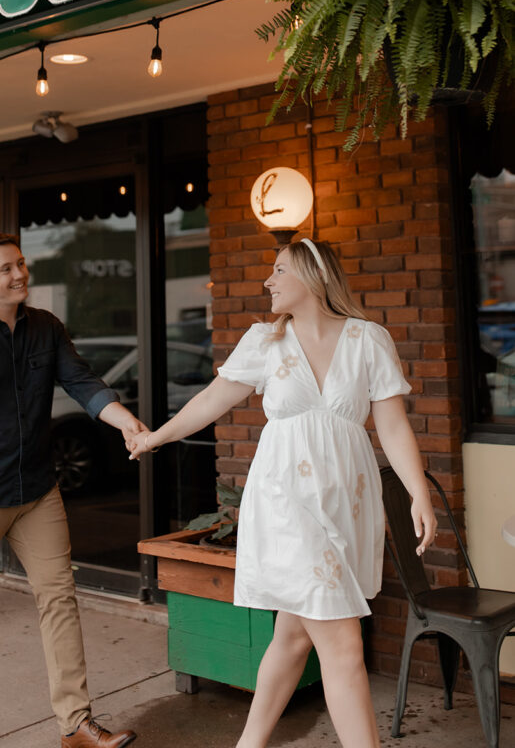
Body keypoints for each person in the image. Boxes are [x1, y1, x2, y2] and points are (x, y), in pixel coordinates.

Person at [129, 238, 436, 748]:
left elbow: (393, 426)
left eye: (278, 271)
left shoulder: (368, 339)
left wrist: (416, 492)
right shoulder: (263, 340)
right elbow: (211, 400)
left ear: (312, 277)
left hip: (346, 504)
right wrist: (155, 437)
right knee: (342, 647)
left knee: (293, 637)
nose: (268, 281)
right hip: (285, 502)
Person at [0, 232, 143, 748]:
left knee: (59, 598)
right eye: (6, 268)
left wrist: (124, 420)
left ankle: (76, 723)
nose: (20, 274)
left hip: (38, 490)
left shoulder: (45, 328)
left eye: (21, 264)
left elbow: (82, 383)